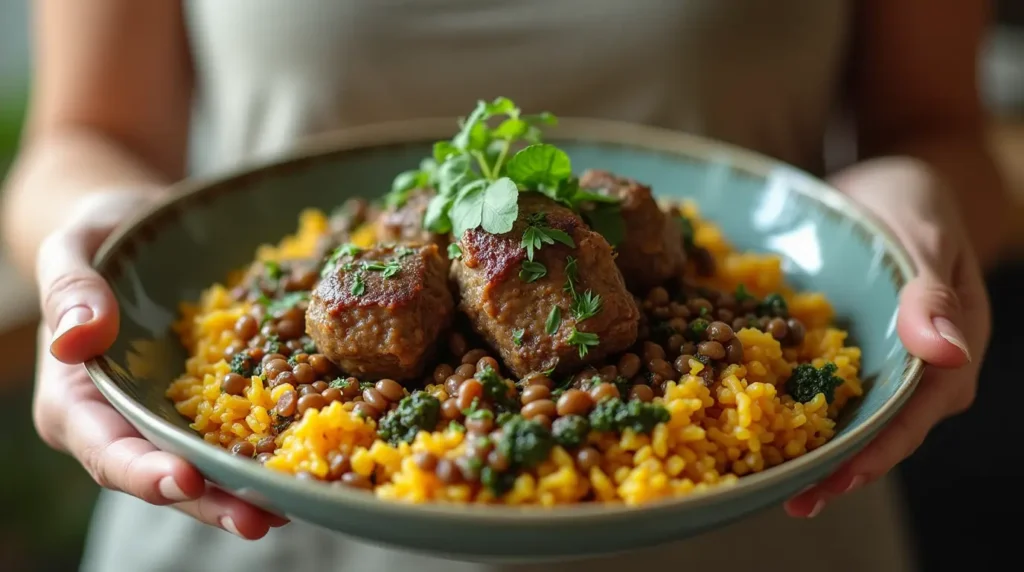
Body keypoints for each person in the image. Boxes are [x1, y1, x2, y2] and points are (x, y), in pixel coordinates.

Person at [1, 1, 1007, 571]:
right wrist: (92, 249)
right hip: (255, 522)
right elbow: (82, 138)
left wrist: (911, 208)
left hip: (756, 524)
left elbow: (938, 131)